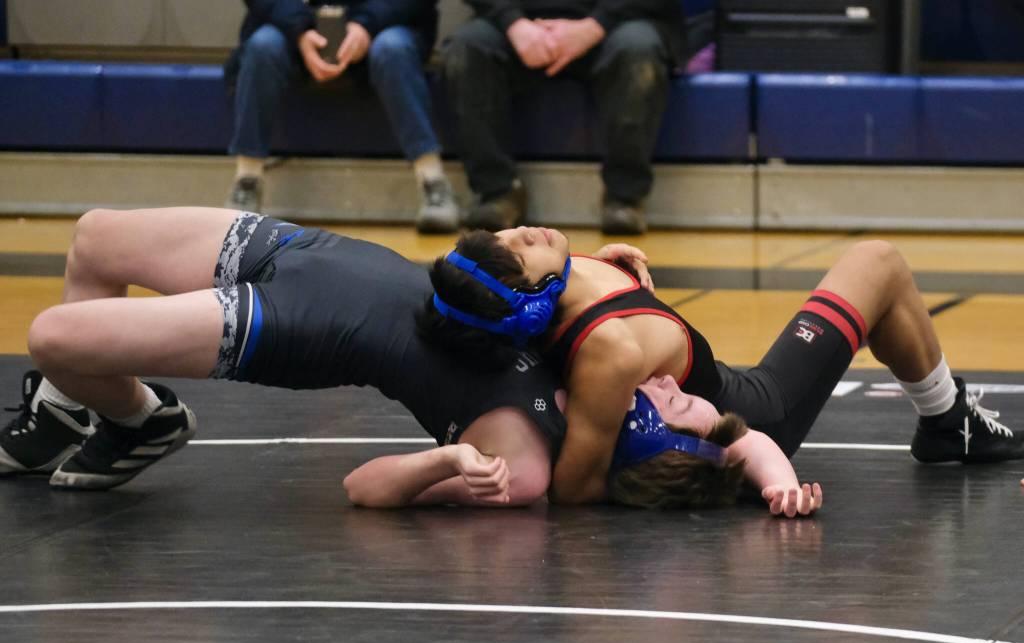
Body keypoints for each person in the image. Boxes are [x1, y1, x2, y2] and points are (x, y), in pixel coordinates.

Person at [0, 208, 566, 504]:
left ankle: (142, 422)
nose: (526, 232)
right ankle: (62, 413)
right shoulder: (575, 290)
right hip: (308, 252)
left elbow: (362, 487)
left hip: (289, 325)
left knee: (52, 338)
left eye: (520, 244)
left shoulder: (521, 467)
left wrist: (444, 462)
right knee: (95, 237)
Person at [421, 227, 1023, 504]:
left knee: (879, 291)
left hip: (708, 383)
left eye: (509, 233)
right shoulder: (608, 353)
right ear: (534, 299)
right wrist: (691, 469)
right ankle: (949, 421)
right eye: (521, 250)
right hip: (757, 412)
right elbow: (578, 488)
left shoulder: (552, 279)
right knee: (878, 262)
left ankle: (949, 420)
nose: (525, 231)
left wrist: (602, 265)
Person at [443, 0, 689, 234]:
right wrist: (513, 22)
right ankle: (497, 192)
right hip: (518, 28)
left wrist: (595, 25)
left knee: (637, 48)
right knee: (467, 47)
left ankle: (624, 197)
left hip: (617, 22)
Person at [223, 0, 458, 232]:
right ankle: (247, 180)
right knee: (263, 46)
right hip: (292, 24)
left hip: (386, 24)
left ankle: (432, 180)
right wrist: (300, 30)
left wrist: (365, 25)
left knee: (392, 48)